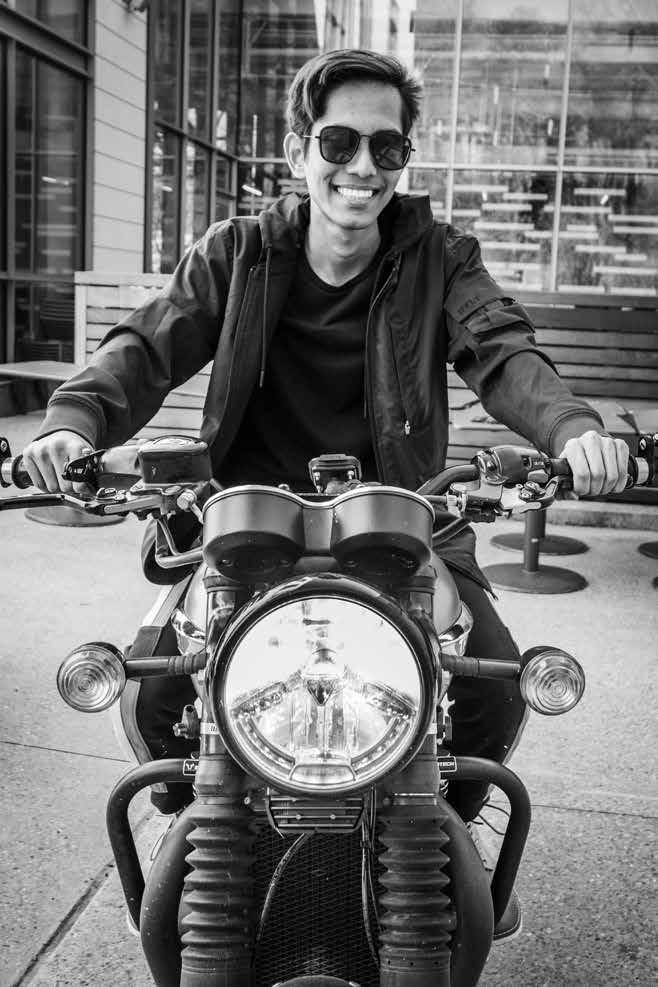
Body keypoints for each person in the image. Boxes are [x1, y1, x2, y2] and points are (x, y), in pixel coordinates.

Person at [22, 49, 629, 938]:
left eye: (388, 148)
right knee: (157, 695)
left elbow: (501, 350)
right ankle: (207, 830)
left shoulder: (441, 257)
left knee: (489, 689)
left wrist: (573, 430)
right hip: (245, 522)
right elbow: (148, 345)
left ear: (404, 158)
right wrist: (74, 422)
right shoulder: (237, 252)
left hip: (406, 518)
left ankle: (436, 833)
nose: (363, 167)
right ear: (300, 149)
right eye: (340, 142)